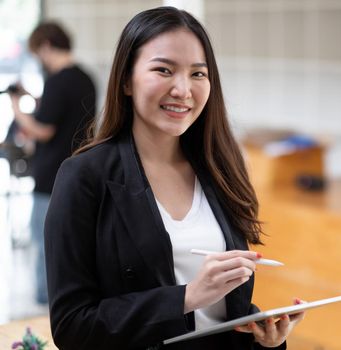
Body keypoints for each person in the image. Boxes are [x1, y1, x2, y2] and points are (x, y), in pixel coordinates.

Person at [44, 6, 304, 349]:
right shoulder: (84, 177)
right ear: (125, 80)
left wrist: (264, 337)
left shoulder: (221, 170)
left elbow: (217, 312)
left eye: (198, 74)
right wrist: (186, 297)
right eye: (164, 70)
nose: (183, 89)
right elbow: (71, 326)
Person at [9, 21, 96, 305]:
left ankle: (45, 301)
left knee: (45, 241)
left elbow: (43, 129)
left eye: (37, 52)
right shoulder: (85, 78)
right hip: (81, 170)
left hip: (51, 176)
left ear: (46, 46)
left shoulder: (58, 81)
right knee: (74, 242)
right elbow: (63, 114)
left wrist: (14, 106)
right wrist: (31, 99)